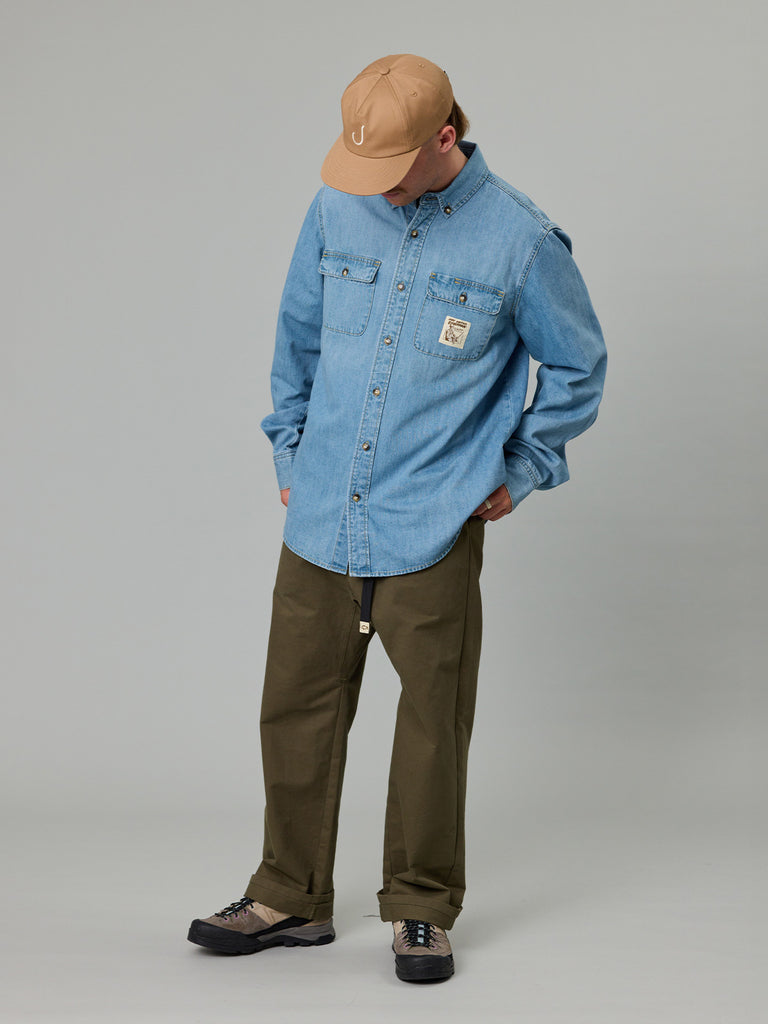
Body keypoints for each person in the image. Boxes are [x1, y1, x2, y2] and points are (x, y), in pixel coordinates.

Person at [188, 52, 607, 983]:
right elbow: (297, 336)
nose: (370, 184)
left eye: (390, 165)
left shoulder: (521, 240)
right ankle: (288, 896)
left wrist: (524, 467)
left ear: (444, 138)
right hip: (322, 515)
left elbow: (580, 366)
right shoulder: (336, 208)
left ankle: (421, 908)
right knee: (294, 708)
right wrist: (291, 451)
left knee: (431, 725)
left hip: (433, 522)